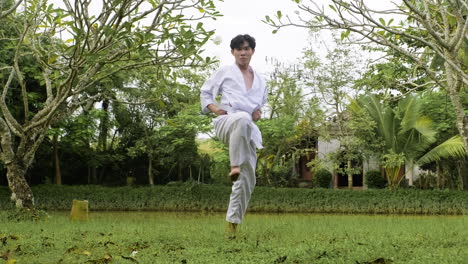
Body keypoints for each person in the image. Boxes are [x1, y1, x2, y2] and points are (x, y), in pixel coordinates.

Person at [200, 34, 267, 237]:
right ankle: (234, 165)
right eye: (239, 49)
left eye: (246, 48)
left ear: (252, 51)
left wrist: (258, 112)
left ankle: (232, 225)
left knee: (249, 179)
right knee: (240, 118)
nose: (243, 52)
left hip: (246, 128)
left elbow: (261, 105)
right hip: (226, 121)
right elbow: (205, 93)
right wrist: (214, 109)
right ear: (233, 52)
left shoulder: (261, 80)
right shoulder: (225, 72)